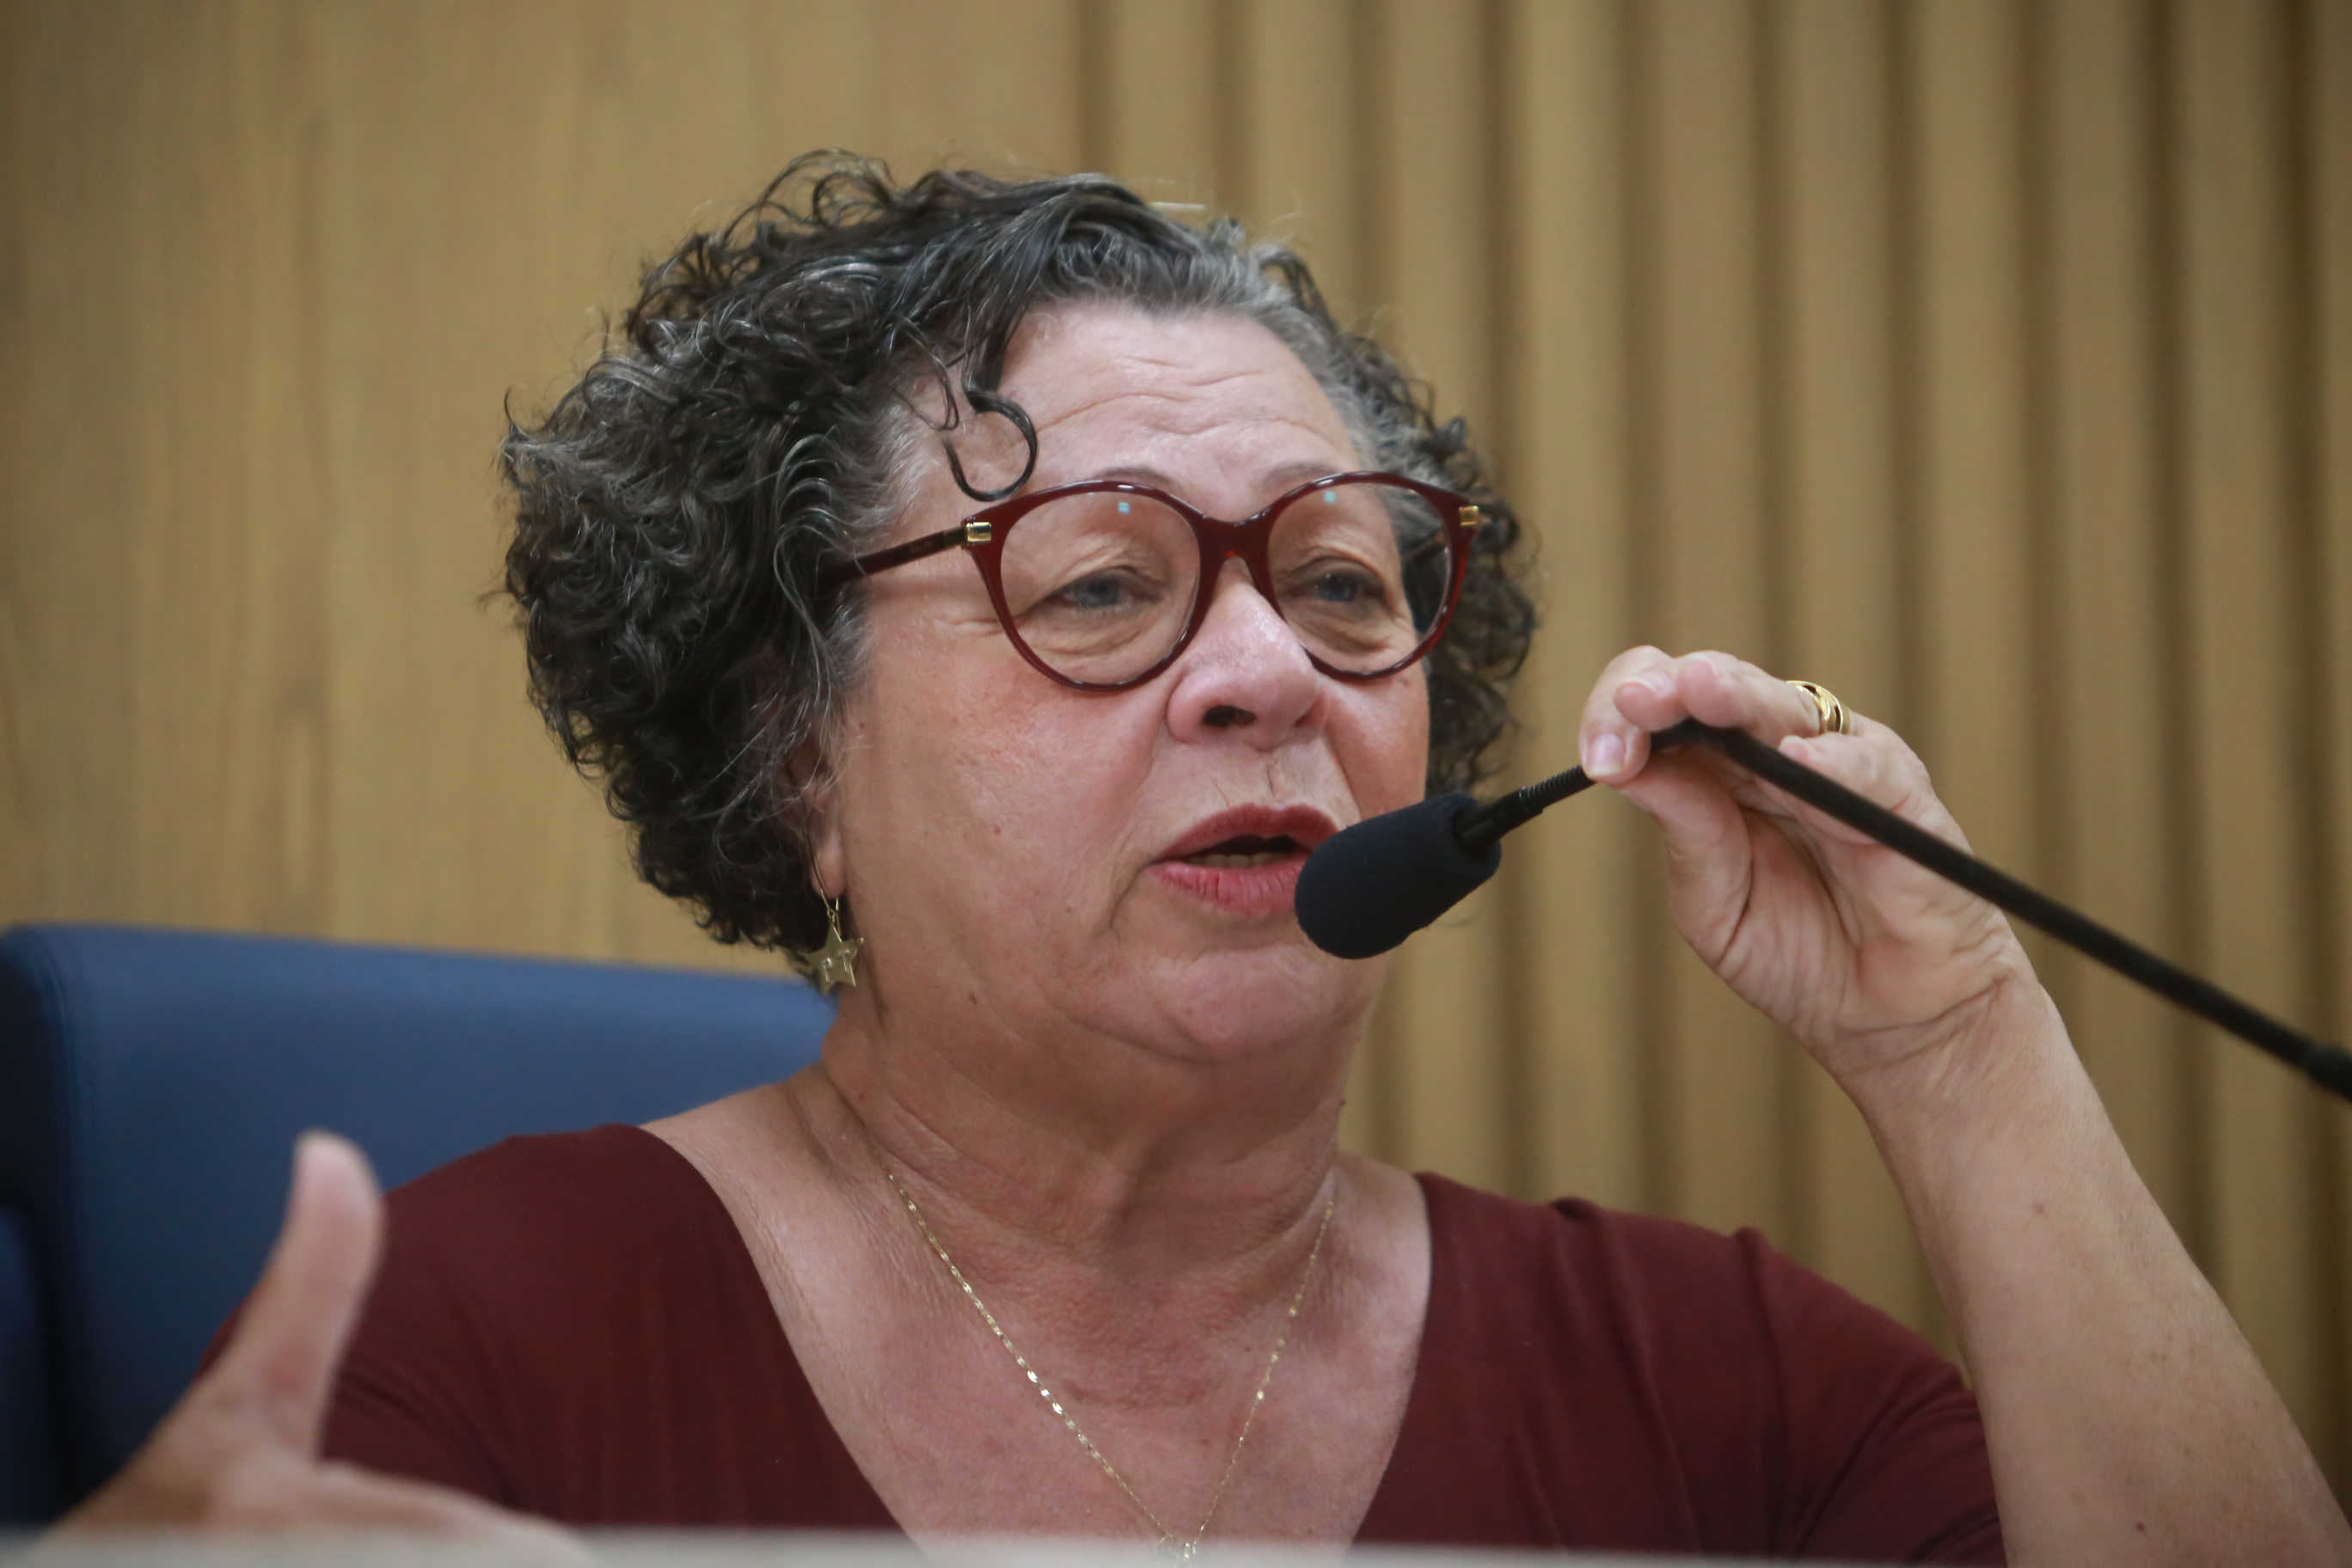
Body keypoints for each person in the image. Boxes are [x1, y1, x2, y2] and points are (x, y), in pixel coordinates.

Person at [58, 157, 2349, 1563]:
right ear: (798, 763)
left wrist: (1959, 1039)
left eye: (1342, 585)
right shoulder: (485, 1339)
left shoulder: (1723, 1388)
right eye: (1096, 587)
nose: (1268, 672)